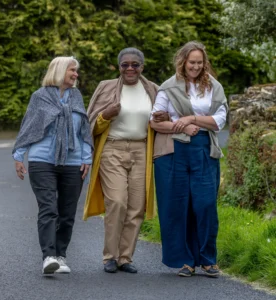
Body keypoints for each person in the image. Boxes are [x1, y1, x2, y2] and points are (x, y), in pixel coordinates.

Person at [83, 47, 168, 274]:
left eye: (135, 65)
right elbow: (91, 123)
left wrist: (163, 117)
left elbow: (165, 120)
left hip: (142, 149)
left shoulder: (154, 90)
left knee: (136, 206)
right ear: (118, 67)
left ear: (142, 67)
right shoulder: (106, 87)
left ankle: (125, 257)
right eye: (125, 65)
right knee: (118, 202)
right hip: (112, 148)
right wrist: (105, 116)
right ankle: (109, 256)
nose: (130, 68)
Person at [150, 41, 228, 277]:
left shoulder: (214, 87)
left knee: (205, 205)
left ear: (204, 63)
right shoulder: (168, 87)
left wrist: (192, 118)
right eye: (191, 62)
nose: (195, 66)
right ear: (182, 62)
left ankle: (207, 259)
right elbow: (154, 121)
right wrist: (180, 127)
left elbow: (219, 120)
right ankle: (185, 261)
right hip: (175, 151)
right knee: (177, 206)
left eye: (199, 62)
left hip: (204, 148)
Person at [12, 56, 93, 275]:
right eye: (72, 70)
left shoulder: (76, 96)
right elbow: (29, 126)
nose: (76, 75)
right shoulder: (39, 97)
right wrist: (19, 156)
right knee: (48, 208)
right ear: (59, 71)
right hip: (42, 161)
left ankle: (60, 256)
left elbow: (83, 129)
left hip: (73, 162)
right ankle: (48, 256)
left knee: (67, 212)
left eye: (76, 71)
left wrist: (87, 158)